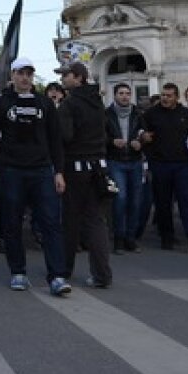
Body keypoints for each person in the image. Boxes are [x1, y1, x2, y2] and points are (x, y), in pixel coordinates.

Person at [0, 57, 70, 297]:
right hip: (11, 170)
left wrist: (59, 171)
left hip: (42, 171)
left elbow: (55, 140)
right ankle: (18, 271)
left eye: (29, 74)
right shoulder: (1, 104)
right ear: (12, 75)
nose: (25, 78)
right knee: (11, 222)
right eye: (20, 73)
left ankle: (57, 276)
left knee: (51, 223)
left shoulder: (45, 103)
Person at [57, 61, 112, 289]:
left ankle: (63, 269)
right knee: (96, 221)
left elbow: (65, 137)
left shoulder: (69, 104)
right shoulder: (97, 102)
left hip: (75, 166)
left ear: (78, 77)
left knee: (70, 220)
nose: (62, 79)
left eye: (66, 75)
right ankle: (102, 275)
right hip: (98, 166)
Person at [140, 82, 188, 252]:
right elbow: (142, 133)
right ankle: (166, 237)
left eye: (169, 95)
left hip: (182, 164)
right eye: (163, 95)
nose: (165, 98)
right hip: (160, 164)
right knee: (163, 203)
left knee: (187, 200)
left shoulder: (185, 113)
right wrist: (144, 138)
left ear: (176, 97)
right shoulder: (151, 114)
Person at [104, 83, 144, 253]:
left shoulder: (138, 113)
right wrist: (112, 142)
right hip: (115, 161)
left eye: (128, 93)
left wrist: (140, 142)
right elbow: (100, 136)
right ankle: (118, 238)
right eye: (121, 93)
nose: (125, 96)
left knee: (135, 201)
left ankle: (131, 238)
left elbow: (145, 133)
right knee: (120, 199)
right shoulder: (106, 114)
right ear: (115, 95)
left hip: (135, 161)